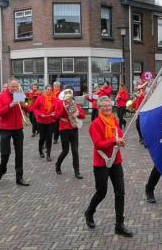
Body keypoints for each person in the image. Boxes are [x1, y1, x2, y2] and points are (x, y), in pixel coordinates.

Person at [84, 96, 133, 237]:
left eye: (108, 105)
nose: (107, 108)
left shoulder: (113, 119)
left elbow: (119, 132)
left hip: (116, 160)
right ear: (98, 108)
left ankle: (119, 225)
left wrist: (121, 139)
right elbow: (98, 144)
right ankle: (90, 211)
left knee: (120, 191)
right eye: (104, 106)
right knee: (102, 191)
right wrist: (114, 141)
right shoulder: (95, 124)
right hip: (101, 162)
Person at [0, 79, 30, 186]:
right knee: (5, 152)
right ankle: (2, 170)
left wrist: (25, 101)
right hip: (5, 128)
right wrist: (10, 105)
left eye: (16, 86)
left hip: (18, 128)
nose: (15, 88)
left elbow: (28, 107)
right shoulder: (1, 96)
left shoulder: (19, 95)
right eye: (13, 86)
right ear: (8, 86)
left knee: (19, 153)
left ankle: (19, 177)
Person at [55, 88, 85, 179]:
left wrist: (77, 114)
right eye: (67, 95)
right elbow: (57, 116)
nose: (69, 97)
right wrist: (64, 108)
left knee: (75, 151)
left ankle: (77, 172)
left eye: (70, 95)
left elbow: (82, 115)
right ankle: (58, 164)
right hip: (64, 129)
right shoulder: (60, 103)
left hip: (74, 128)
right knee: (65, 150)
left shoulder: (75, 104)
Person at [33, 85, 57, 161]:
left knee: (49, 138)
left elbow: (57, 108)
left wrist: (54, 113)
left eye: (50, 90)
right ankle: (40, 151)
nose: (49, 91)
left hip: (50, 121)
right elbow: (35, 108)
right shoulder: (40, 98)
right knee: (42, 137)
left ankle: (48, 154)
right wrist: (40, 114)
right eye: (48, 90)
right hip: (41, 121)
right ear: (45, 90)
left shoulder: (54, 99)